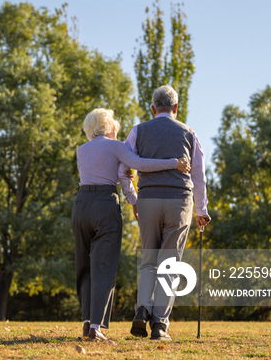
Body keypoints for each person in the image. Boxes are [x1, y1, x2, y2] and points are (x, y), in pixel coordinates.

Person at [73, 108, 190, 341]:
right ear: (108, 126)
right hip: (104, 205)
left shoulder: (81, 150)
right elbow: (141, 164)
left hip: (80, 205)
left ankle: (87, 323)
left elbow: (111, 173)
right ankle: (96, 328)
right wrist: (174, 163)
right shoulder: (115, 146)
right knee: (103, 267)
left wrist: (131, 193)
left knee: (84, 267)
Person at [117, 85, 211, 341]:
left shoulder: (138, 131)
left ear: (152, 108)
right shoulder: (189, 133)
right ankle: (159, 325)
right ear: (176, 108)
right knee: (169, 265)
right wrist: (201, 209)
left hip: (147, 200)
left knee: (149, 260)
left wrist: (134, 199)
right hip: (179, 202)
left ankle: (142, 310)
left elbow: (123, 169)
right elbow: (198, 175)